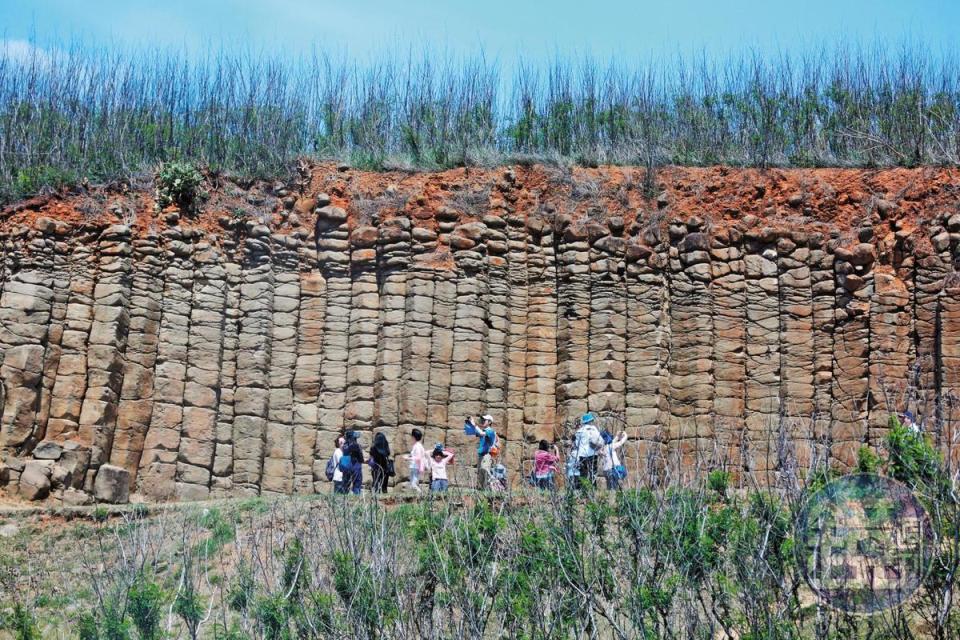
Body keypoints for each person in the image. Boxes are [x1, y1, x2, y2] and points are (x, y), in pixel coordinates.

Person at [467, 415, 497, 490]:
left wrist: (474, 424)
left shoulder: (490, 431)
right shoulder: (484, 431)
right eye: (482, 420)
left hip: (487, 455)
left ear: (489, 422)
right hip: (481, 455)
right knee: (480, 474)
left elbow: (481, 433)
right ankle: (481, 491)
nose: (483, 422)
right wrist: (470, 423)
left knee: (485, 471)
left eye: (485, 420)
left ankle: (489, 490)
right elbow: (472, 432)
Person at [573, 413, 603, 489]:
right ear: (591, 420)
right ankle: (593, 489)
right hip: (593, 454)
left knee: (583, 474)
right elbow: (600, 440)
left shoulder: (579, 431)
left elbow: (576, 444)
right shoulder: (594, 429)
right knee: (593, 473)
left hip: (582, 455)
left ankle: (584, 490)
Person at [403, 428, 427, 493]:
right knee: (412, 484)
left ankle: (422, 495)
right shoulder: (417, 445)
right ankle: (415, 498)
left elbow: (418, 457)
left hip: (415, 467)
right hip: (414, 467)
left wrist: (408, 458)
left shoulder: (417, 446)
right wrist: (409, 456)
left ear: (413, 437)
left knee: (413, 484)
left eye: (412, 436)